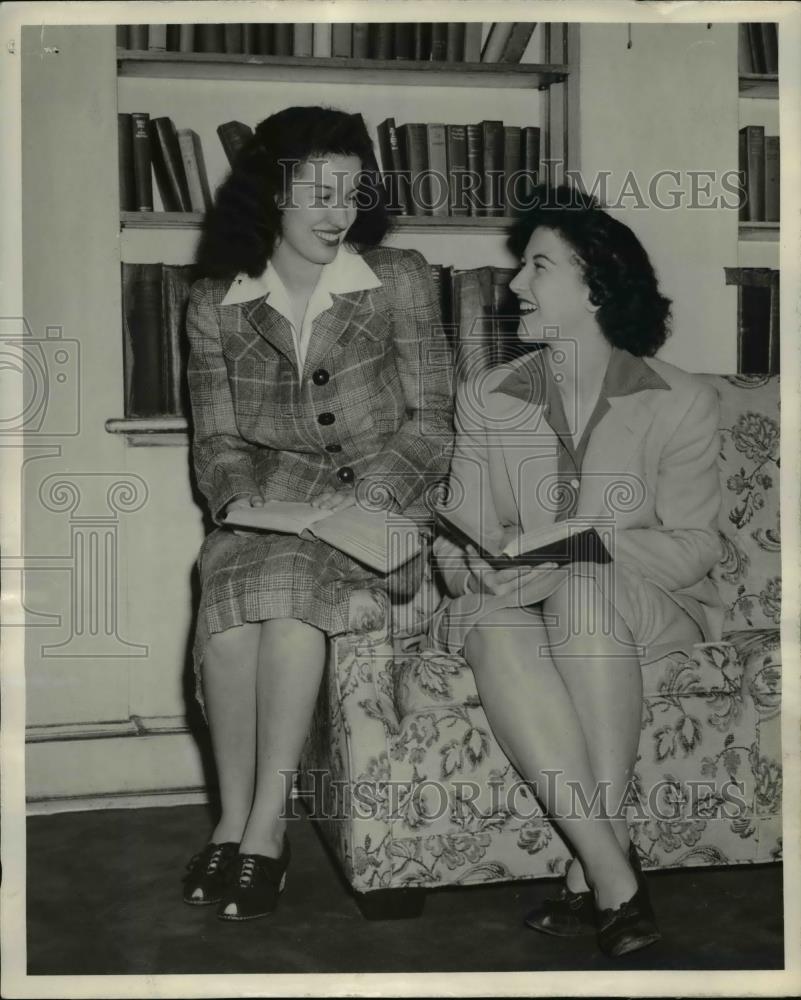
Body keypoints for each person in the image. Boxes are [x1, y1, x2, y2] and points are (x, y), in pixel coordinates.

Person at [432, 187, 723, 957]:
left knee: (584, 588)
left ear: (594, 285)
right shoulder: (487, 396)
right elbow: (454, 535)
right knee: (491, 627)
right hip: (513, 605)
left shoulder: (680, 400)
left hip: (640, 602)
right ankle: (608, 871)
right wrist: (474, 571)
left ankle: (594, 871)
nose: (513, 286)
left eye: (536, 267)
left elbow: (695, 546)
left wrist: (584, 546)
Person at [183, 106, 453, 921]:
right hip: (272, 505)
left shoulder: (397, 276)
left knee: (292, 602)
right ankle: (233, 820)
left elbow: (433, 418)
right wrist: (245, 504)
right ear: (271, 194)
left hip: (385, 497)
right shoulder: (214, 303)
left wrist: (363, 502)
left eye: (350, 191)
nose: (337, 212)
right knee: (226, 609)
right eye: (317, 193)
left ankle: (266, 831)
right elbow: (217, 440)